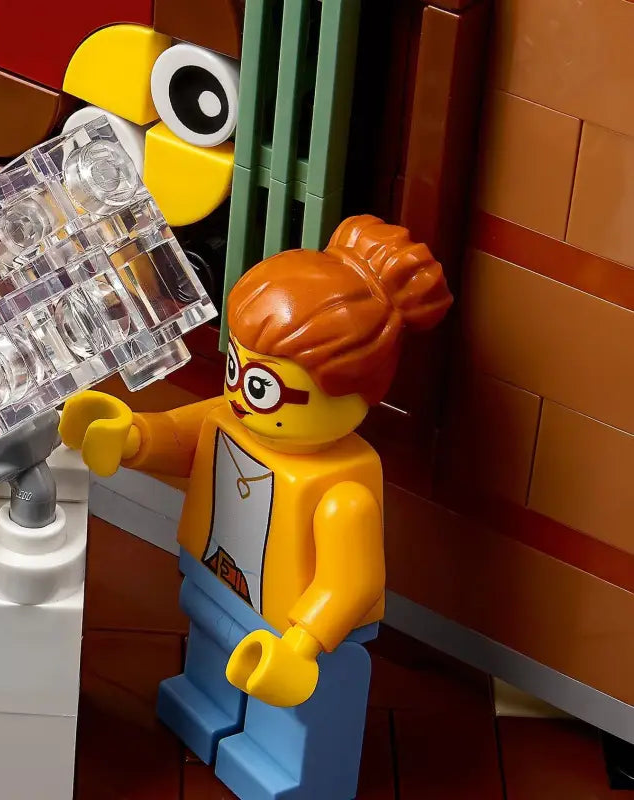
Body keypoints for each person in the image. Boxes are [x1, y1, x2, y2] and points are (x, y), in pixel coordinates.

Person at [60, 215, 452, 799]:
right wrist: (130, 436)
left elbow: (351, 580)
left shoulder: (341, 490)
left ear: (351, 391)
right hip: (219, 584)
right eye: (236, 368)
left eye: (262, 386)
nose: (241, 395)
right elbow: (178, 438)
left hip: (294, 633)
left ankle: (282, 764)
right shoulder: (227, 420)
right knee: (212, 657)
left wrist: (304, 645)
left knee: (293, 708)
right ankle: (208, 708)